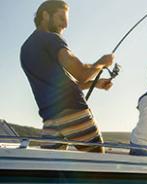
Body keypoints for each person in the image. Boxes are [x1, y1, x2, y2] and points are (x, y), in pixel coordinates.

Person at [20, 0, 114, 153]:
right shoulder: (52, 39)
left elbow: (59, 83)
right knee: (97, 163)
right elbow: (81, 74)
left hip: (50, 119)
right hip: (73, 111)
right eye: (61, 18)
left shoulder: (25, 49)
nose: (65, 25)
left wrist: (95, 84)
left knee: (53, 171)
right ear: (45, 15)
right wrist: (103, 62)